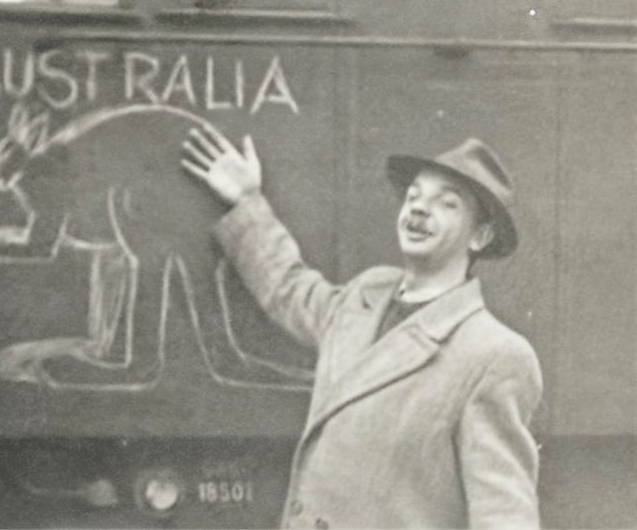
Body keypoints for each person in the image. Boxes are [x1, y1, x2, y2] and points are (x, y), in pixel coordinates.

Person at [182, 130, 543, 528]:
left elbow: (505, 515)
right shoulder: (367, 293)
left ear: (480, 235)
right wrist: (248, 202)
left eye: (447, 203)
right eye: (414, 196)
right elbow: (291, 291)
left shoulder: (493, 353)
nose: (420, 209)